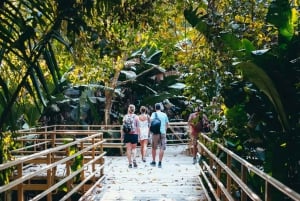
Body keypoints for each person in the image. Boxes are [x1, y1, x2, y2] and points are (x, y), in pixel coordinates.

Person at [149, 103, 169, 168]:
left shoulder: (153, 114)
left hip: (155, 133)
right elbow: (167, 124)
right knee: (162, 147)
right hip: (163, 132)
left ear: (155, 108)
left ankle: (154, 161)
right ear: (160, 108)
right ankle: (160, 162)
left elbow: (151, 122)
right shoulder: (164, 114)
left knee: (154, 148)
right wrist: (164, 130)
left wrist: (150, 132)